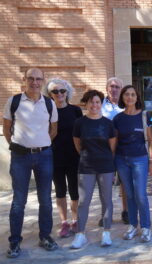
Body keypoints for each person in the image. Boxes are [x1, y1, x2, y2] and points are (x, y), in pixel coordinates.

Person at [3, 68, 59, 258]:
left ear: (43, 81)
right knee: (19, 201)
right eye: (31, 78)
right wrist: (17, 145)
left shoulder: (49, 103)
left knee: (45, 200)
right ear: (24, 80)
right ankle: (15, 241)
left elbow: (54, 129)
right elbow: (7, 127)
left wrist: (41, 144)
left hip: (44, 156)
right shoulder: (14, 101)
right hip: (20, 157)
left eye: (38, 79)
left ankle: (45, 236)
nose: (35, 82)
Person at [70, 90, 116, 249]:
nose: (94, 105)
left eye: (97, 102)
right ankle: (80, 234)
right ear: (86, 103)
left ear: (101, 104)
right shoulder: (79, 123)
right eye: (91, 102)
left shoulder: (108, 123)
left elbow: (112, 147)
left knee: (107, 200)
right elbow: (77, 145)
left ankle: (106, 232)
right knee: (83, 201)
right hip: (86, 166)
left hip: (105, 166)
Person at [114, 85, 152, 242]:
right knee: (129, 195)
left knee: (140, 195)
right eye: (126, 95)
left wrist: (151, 161)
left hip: (140, 159)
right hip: (121, 160)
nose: (129, 97)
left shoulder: (144, 116)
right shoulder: (118, 119)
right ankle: (132, 225)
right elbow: (115, 141)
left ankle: (146, 227)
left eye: (132, 94)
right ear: (122, 98)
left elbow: (150, 141)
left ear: (137, 98)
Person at [44, 78, 83, 237]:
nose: (59, 94)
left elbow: (81, 134)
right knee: (60, 191)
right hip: (54, 157)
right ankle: (64, 223)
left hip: (74, 157)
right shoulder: (46, 111)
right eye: (55, 91)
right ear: (49, 94)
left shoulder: (75, 111)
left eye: (62, 90)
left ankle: (75, 221)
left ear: (67, 92)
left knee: (74, 191)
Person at [101, 77, 128, 225]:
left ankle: (126, 211)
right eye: (112, 86)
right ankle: (106, 213)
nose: (114, 89)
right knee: (105, 183)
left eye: (117, 87)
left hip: (123, 149)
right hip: (104, 150)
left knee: (124, 182)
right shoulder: (99, 104)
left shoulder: (126, 105)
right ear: (107, 88)